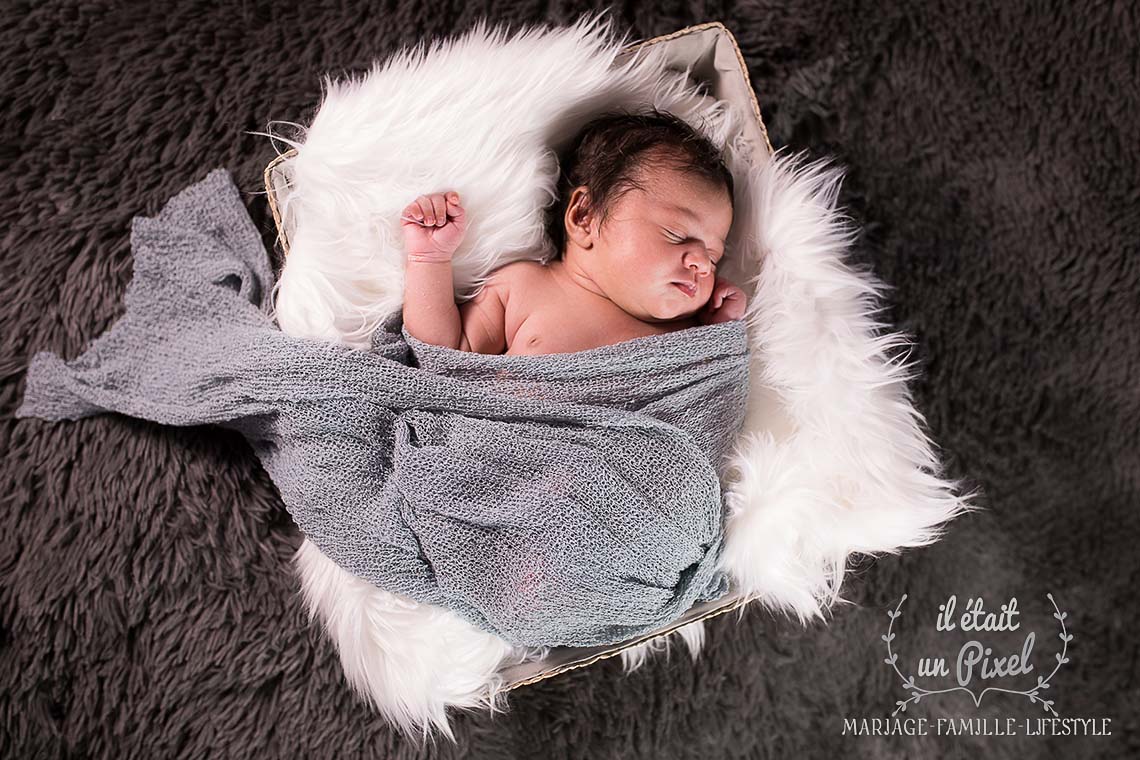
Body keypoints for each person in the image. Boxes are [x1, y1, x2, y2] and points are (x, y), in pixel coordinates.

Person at [400, 110, 747, 355]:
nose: (702, 263)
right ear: (584, 216)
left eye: (714, 256)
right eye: (676, 234)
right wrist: (428, 258)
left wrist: (718, 333)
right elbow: (443, 355)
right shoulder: (524, 288)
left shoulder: (684, 333)